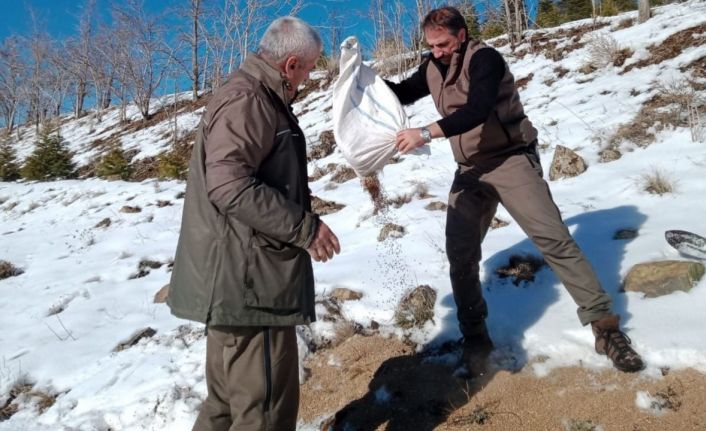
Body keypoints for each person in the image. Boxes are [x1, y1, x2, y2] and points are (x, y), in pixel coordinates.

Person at [385, 6, 643, 377]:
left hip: (510, 160)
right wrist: (360, 82)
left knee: (554, 240)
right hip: (470, 169)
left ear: (461, 35)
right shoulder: (431, 67)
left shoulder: (484, 59)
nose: (436, 52)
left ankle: (607, 330)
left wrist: (424, 133)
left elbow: (476, 110)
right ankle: (475, 337)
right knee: (460, 254)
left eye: (442, 44)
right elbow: (400, 94)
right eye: (431, 46)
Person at [167, 16, 340, 431]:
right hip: (250, 286)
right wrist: (305, 227)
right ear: (291, 63)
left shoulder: (253, 94)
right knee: (263, 411)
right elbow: (229, 186)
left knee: (225, 407)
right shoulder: (250, 100)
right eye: (310, 67)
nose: (309, 77)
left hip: (233, 282)